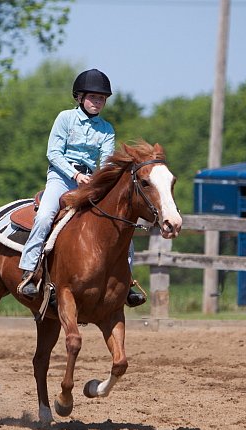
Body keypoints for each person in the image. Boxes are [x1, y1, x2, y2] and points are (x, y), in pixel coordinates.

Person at [16, 68, 146, 307]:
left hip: (91, 181)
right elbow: (53, 153)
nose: (98, 102)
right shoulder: (65, 118)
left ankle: (126, 282)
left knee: (120, 227)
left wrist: (98, 181)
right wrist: (75, 174)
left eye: (102, 98)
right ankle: (29, 271)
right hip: (61, 177)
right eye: (93, 97)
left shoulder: (107, 129)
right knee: (44, 217)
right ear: (79, 97)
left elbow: (107, 161)